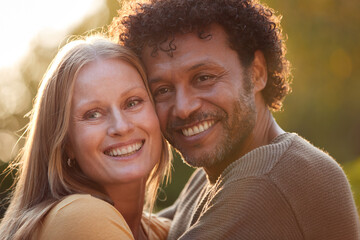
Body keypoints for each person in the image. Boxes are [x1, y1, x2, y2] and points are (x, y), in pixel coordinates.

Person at [109, 0, 360, 239]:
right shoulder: (213, 177)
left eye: (204, 78)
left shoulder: (273, 177)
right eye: (162, 90)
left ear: (257, 72)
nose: (183, 108)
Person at [0, 35, 172, 240]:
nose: (121, 126)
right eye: (93, 114)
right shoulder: (80, 217)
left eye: (133, 103)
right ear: (66, 143)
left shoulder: (163, 231)